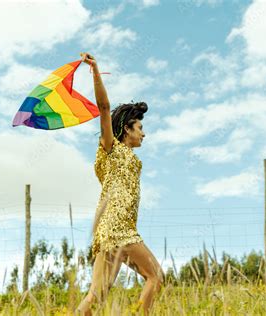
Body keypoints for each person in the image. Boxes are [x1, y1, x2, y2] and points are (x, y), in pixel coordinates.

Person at [77, 53, 164, 316]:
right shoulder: (110, 149)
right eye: (139, 127)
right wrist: (95, 72)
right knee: (156, 276)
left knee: (97, 295)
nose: (143, 133)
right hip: (119, 229)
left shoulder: (133, 161)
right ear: (127, 129)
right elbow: (104, 108)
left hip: (108, 231)